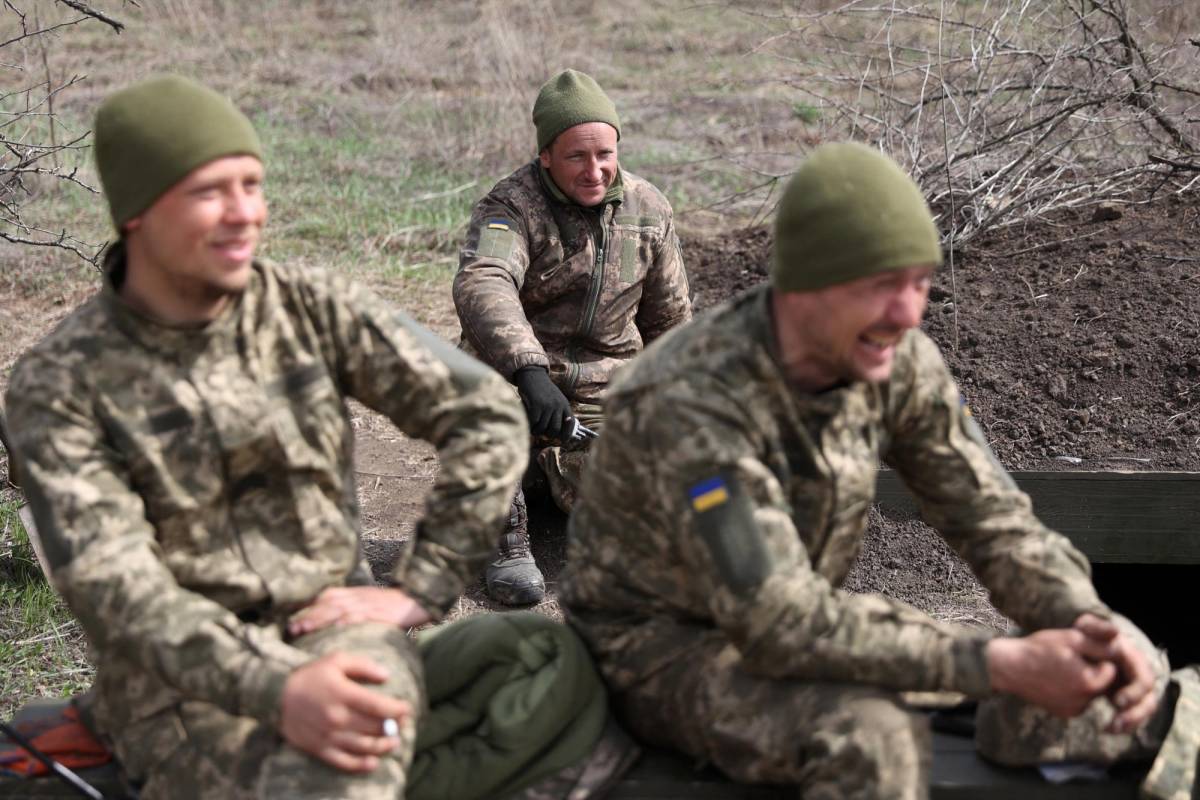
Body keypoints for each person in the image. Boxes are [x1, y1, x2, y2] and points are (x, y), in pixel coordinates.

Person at [559, 142, 1164, 798]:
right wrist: (998, 662)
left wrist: (1083, 621)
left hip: (796, 617)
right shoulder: (691, 400)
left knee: (1114, 688)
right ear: (802, 288)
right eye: (879, 286)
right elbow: (778, 621)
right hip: (654, 650)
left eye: (920, 283)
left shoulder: (896, 358)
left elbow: (994, 519)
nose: (907, 314)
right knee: (869, 738)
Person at [5, 75, 532, 799]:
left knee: (358, 760)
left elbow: (485, 412)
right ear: (137, 212)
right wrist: (279, 689)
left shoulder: (310, 307)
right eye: (208, 192)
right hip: (174, 677)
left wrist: (420, 585)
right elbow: (119, 590)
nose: (243, 214)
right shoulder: (61, 383)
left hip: (337, 630)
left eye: (252, 185)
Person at [453, 69, 692, 606]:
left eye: (605, 154)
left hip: (604, 390)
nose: (595, 171)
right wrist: (529, 370)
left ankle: (547, 480)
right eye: (576, 157)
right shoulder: (510, 206)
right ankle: (505, 539)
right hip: (522, 383)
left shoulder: (650, 211)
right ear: (546, 157)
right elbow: (484, 281)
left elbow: (670, 324)